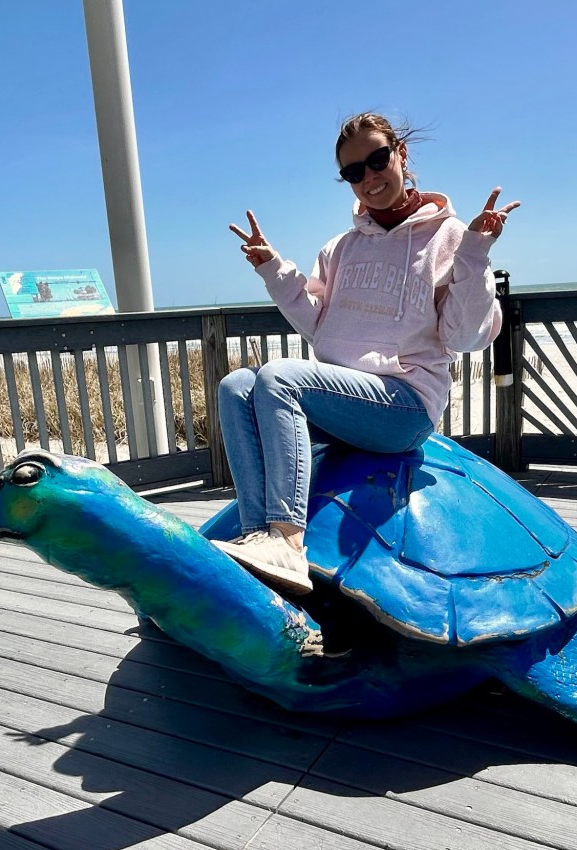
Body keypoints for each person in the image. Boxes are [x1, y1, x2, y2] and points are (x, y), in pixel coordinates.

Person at [215, 112, 519, 594]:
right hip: (345, 404)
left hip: (405, 407)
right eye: (354, 172)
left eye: (377, 160)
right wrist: (273, 269)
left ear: (401, 154)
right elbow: (319, 324)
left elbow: (465, 336)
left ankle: (287, 541)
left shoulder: (450, 237)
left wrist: (475, 253)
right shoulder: (341, 248)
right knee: (237, 386)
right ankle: (260, 538)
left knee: (279, 376)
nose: (369, 177)